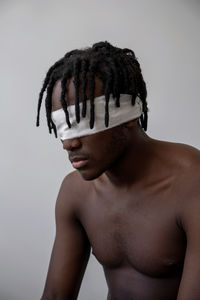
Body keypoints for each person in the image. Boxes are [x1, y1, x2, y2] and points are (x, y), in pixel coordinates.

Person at [36, 41, 200, 300]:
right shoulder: (75, 192)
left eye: (83, 120)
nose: (68, 142)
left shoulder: (192, 184)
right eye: (62, 126)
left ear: (130, 114)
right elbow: (56, 295)